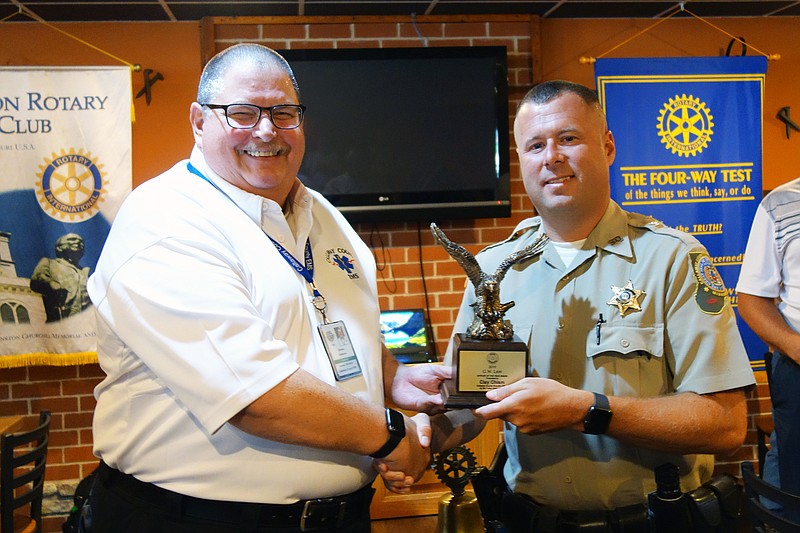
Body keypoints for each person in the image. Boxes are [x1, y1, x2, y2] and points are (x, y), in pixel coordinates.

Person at [85, 43, 448, 533]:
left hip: (342, 518)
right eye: (241, 112)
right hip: (195, 519)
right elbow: (254, 396)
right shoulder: (166, 221)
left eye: (283, 112)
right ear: (198, 120)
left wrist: (391, 378)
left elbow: (335, 321)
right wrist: (389, 435)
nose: (265, 130)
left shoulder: (322, 214)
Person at [416, 80, 756, 533]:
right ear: (521, 162)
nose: (551, 156)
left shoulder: (673, 258)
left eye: (568, 138)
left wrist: (587, 410)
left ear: (608, 146)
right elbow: (472, 403)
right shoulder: (492, 270)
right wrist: (420, 438)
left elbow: (725, 424)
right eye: (535, 145)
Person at [737, 176, 800, 520]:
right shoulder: (781, 203)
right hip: (797, 367)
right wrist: (794, 347)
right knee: (791, 494)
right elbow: (751, 298)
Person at [30, 232, 91, 322]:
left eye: (81, 241)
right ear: (59, 247)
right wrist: (53, 286)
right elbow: (36, 281)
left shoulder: (86, 271)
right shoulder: (49, 263)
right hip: (61, 320)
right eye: (72, 239)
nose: (78, 242)